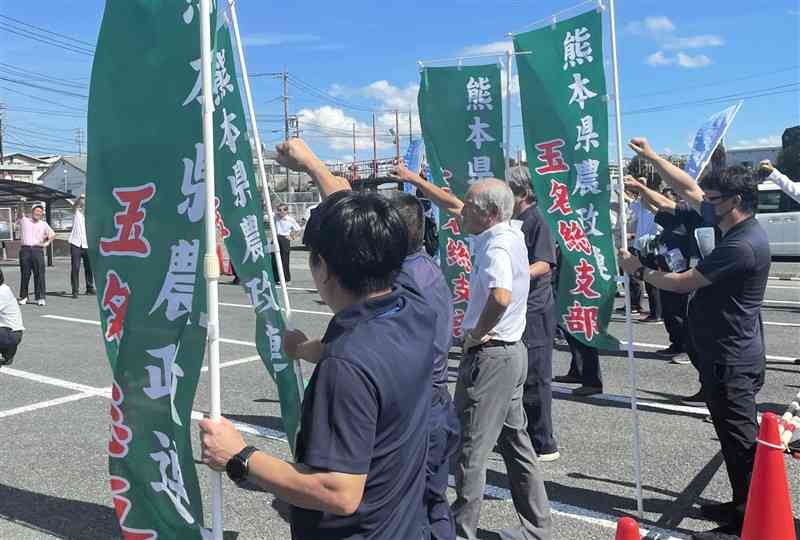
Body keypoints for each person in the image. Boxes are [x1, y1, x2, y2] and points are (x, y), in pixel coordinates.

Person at [201, 191, 438, 540]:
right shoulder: (413, 307)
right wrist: (305, 349)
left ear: (324, 267)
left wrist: (240, 456)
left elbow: (339, 492)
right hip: (401, 523)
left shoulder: (346, 365)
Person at [620, 148, 770, 539]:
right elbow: (687, 188)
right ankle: (741, 503)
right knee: (730, 436)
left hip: (732, 358)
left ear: (735, 202)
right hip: (721, 353)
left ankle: (749, 522)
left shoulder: (741, 244)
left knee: (741, 443)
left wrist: (640, 271)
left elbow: (684, 281)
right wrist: (651, 156)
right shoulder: (730, 224)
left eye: (714, 199)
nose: (705, 203)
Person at [398, 170, 552, 540]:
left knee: (469, 450)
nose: (459, 212)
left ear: (489, 214)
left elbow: (500, 295)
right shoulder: (508, 232)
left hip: (492, 356)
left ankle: (461, 531)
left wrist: (477, 332)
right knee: (516, 444)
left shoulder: (496, 247)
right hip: (511, 353)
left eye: (468, 207)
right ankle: (538, 527)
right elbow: (452, 204)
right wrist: (417, 182)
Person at [507, 166, 560, 461]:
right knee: (521, 372)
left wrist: (512, 275)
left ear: (524, 193)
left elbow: (544, 263)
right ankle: (525, 435)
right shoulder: (515, 220)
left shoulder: (537, 219)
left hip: (536, 307)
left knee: (537, 376)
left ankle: (544, 441)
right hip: (520, 306)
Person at [16, 203, 55, 307]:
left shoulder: (44, 224)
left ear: (42, 214)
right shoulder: (24, 220)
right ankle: (24, 297)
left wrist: (46, 243)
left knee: (39, 274)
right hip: (25, 250)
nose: (38, 213)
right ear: (32, 211)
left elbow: (52, 234)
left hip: (37, 250)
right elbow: (20, 213)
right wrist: (20, 203)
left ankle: (40, 297)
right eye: (36, 211)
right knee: (25, 274)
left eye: (40, 212)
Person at [68, 194, 95, 299]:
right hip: (76, 244)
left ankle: (89, 288)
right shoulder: (77, 213)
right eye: (83, 203)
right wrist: (80, 199)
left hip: (87, 244)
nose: (85, 205)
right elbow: (74, 206)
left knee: (89, 267)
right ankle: (75, 290)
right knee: (75, 267)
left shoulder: (91, 216)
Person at [0, 269, 24, 367]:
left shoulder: (2, 292)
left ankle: (7, 351)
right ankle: (7, 354)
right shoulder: (3, 288)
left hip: (10, 334)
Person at [274, 204, 301, 284]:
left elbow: (298, 229)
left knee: (285, 259)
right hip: (276, 238)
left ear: (286, 211)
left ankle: (287, 279)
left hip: (285, 238)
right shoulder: (275, 217)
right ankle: (276, 278)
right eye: (279, 210)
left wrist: (292, 237)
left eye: (284, 210)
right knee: (274, 259)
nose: (281, 212)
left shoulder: (290, 219)